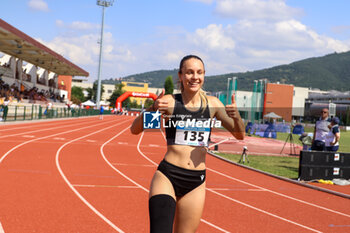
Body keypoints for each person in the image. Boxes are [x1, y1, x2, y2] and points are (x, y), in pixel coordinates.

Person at [130, 55, 245, 233]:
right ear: (181, 75)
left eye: (199, 72)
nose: (194, 77)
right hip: (168, 176)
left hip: (195, 182)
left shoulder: (213, 105)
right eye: (189, 72)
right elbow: (135, 129)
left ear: (204, 75)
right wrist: (152, 108)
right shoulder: (169, 102)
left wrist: (236, 117)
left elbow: (239, 135)